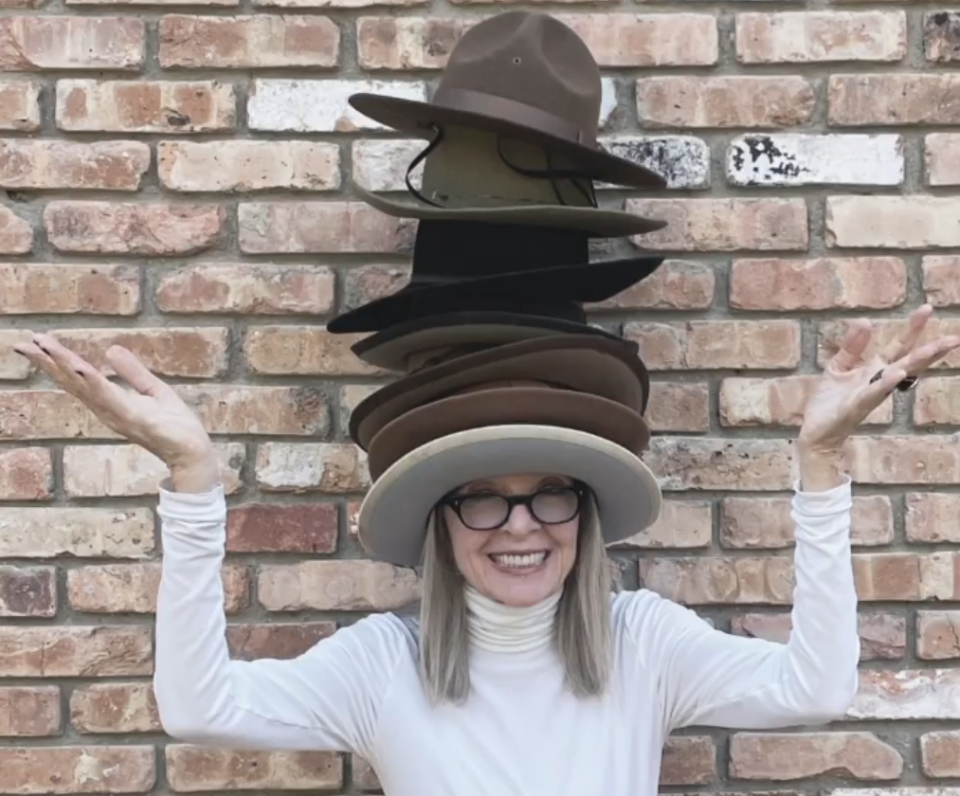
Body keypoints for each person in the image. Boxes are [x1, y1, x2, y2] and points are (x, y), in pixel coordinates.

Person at [12, 307, 958, 796]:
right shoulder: (381, 663)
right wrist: (191, 477)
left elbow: (818, 691)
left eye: (549, 496)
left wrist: (823, 464)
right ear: (440, 526)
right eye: (481, 503)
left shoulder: (644, 643)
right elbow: (198, 709)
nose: (519, 528)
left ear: (584, 515)